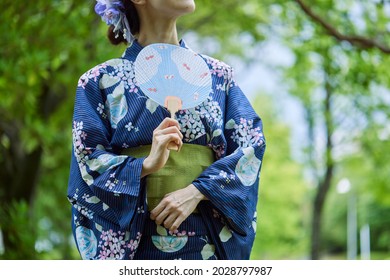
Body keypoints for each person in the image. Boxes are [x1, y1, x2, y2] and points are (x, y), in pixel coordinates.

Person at [67, 0, 266, 260]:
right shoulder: (99, 81)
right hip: (136, 246)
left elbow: (250, 146)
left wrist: (198, 191)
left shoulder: (218, 75)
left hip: (206, 241)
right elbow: (89, 159)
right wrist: (145, 166)